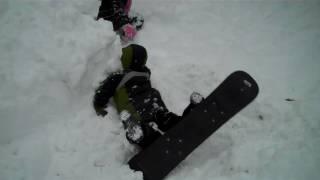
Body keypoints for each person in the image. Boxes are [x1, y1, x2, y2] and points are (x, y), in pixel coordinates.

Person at [93, 44, 204, 148]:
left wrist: (100, 107)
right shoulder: (145, 72)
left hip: (136, 108)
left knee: (146, 129)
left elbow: (101, 96)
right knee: (166, 118)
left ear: (127, 59)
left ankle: (139, 135)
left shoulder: (117, 77)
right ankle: (192, 110)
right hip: (153, 103)